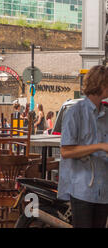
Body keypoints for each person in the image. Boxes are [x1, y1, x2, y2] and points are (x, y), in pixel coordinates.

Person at [58, 65, 108, 228]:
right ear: (101, 85)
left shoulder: (106, 114)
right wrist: (99, 146)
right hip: (82, 189)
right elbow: (66, 151)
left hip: (104, 190)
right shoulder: (75, 112)